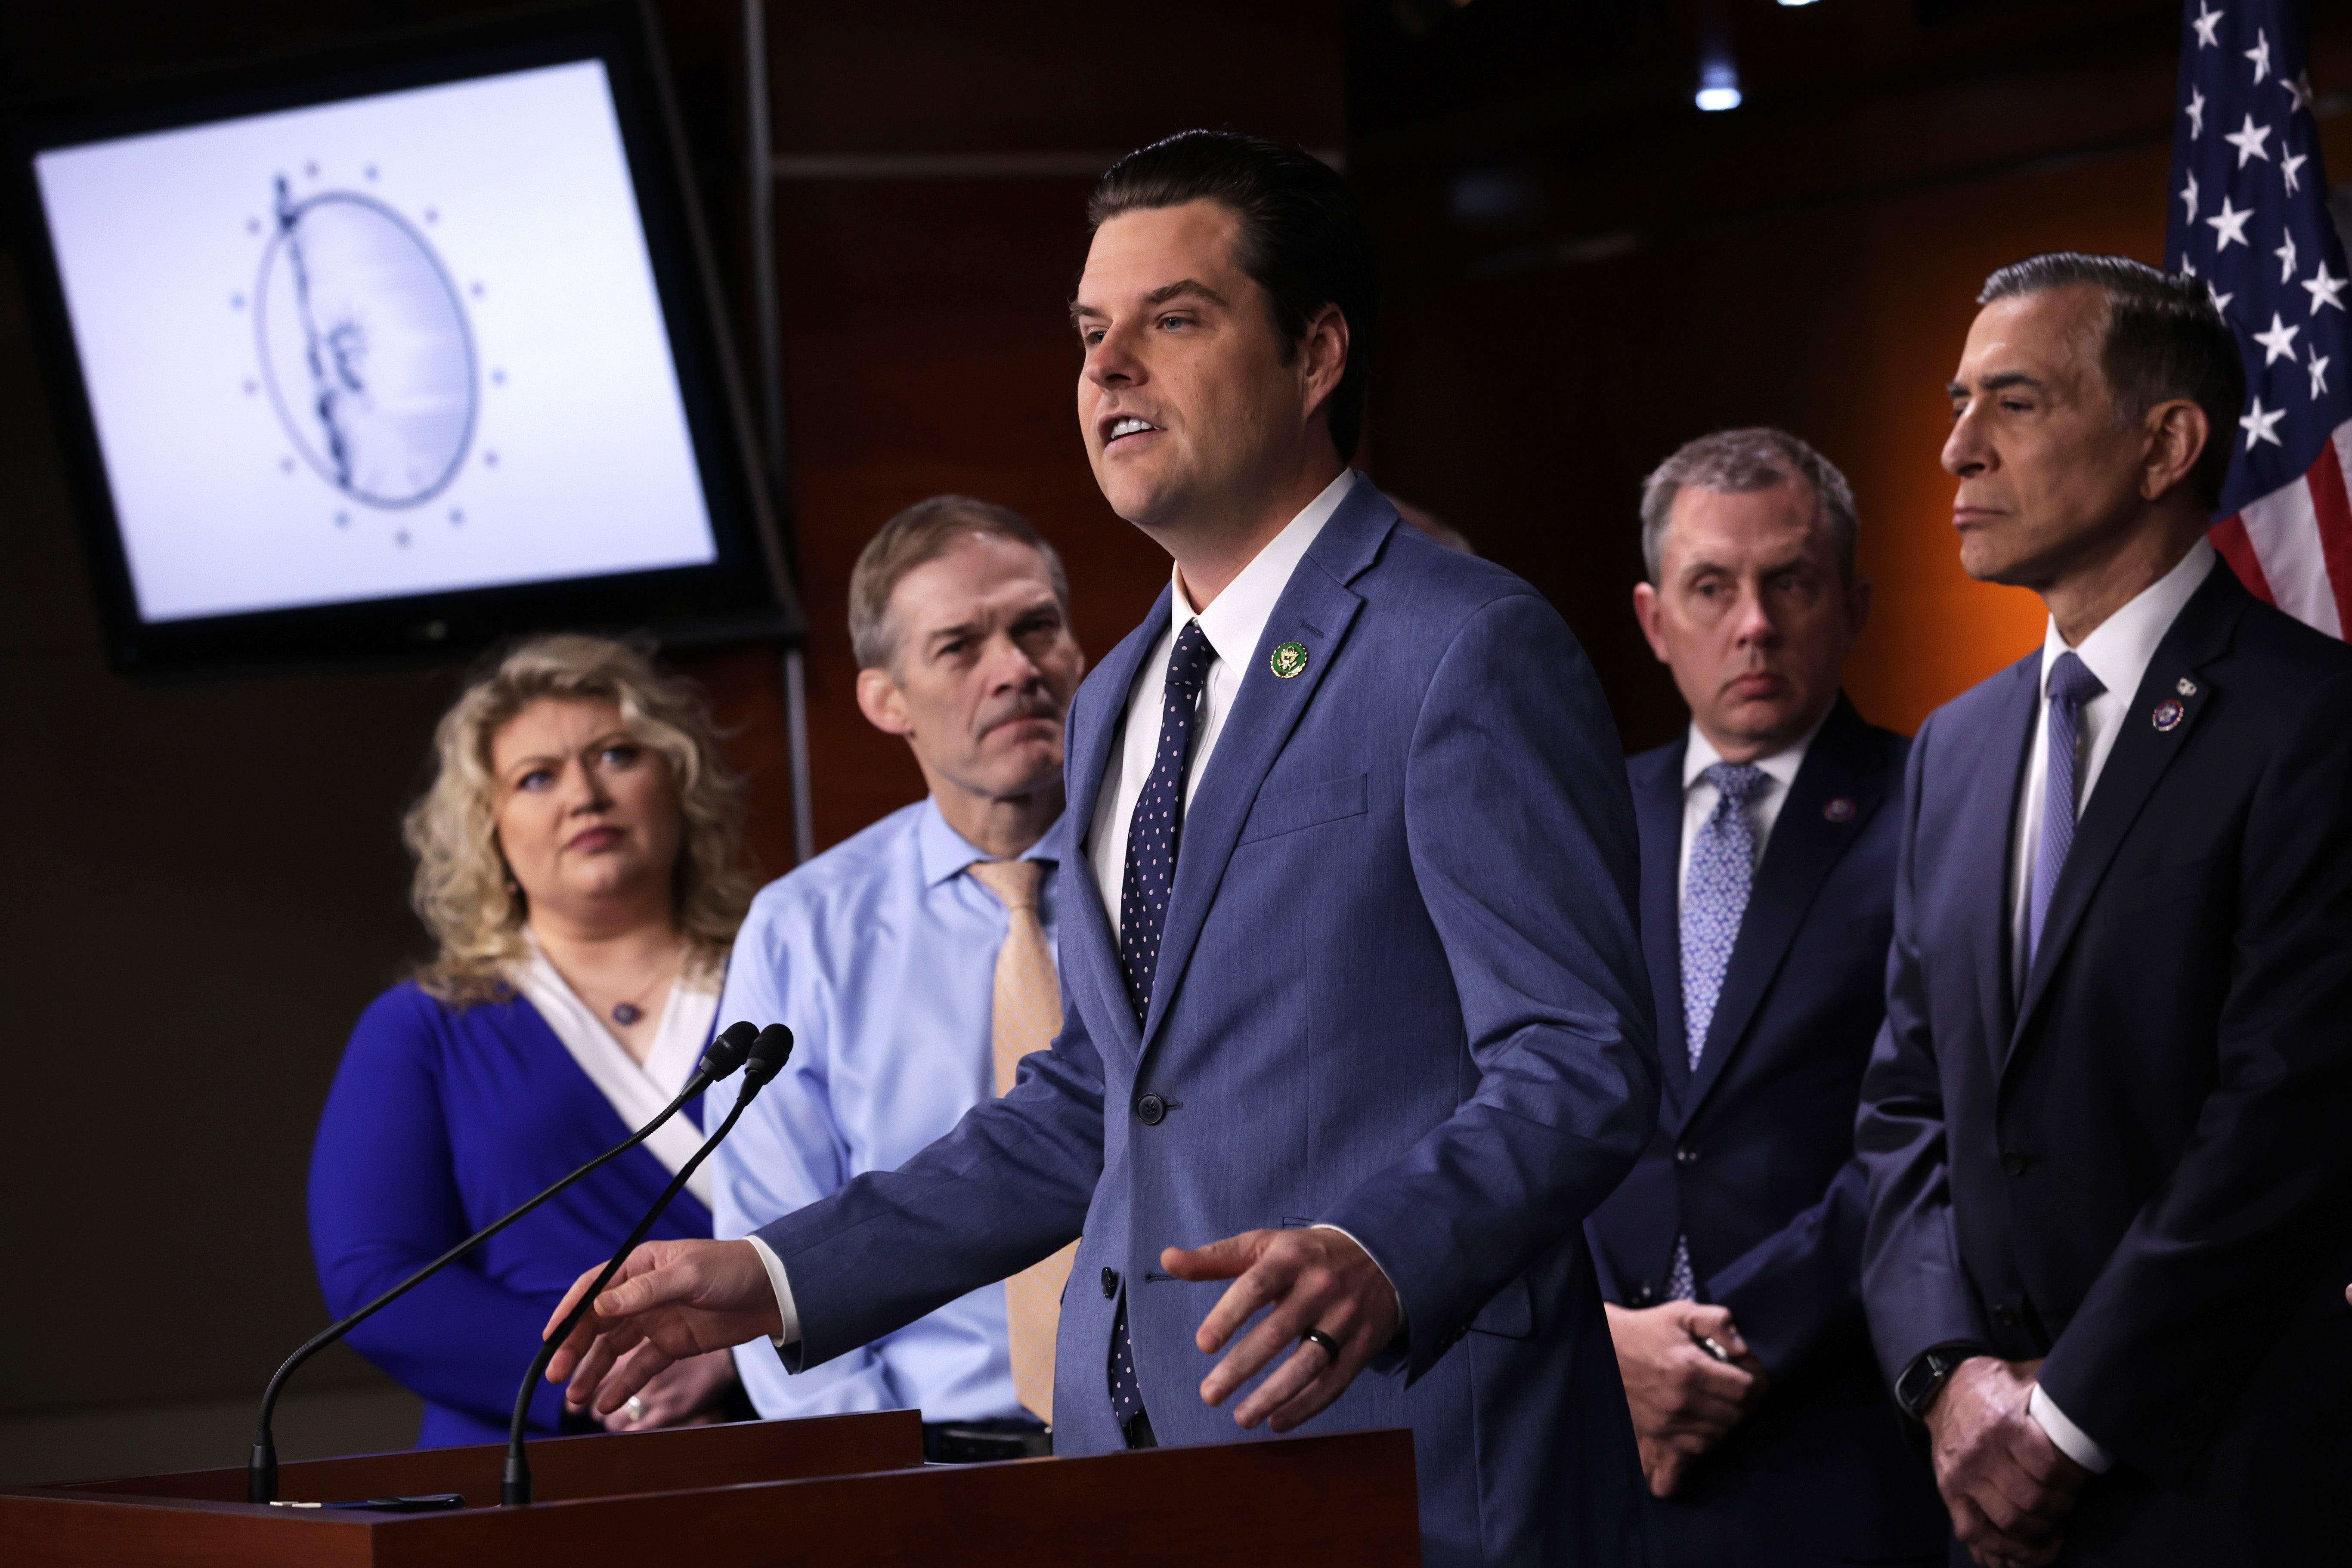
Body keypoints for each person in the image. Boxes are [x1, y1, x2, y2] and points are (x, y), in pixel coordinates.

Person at [543, 130, 1658, 1567]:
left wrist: (1387, 1249)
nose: (1109, 368)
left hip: (1415, 1456)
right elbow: (1096, 1099)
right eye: (1089, 333)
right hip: (1144, 1471)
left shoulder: (1462, 647)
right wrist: (774, 1275)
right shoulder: (1127, 682)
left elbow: (1580, 1059)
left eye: (1171, 320)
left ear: (1316, 353)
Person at [1858, 254, 2352, 1565]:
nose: (1956, 447)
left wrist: (2060, 1422)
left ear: (2165, 444)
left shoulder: (2317, 721)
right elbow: (1905, 1111)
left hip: (2225, 1481)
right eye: (1958, 402)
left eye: (2011, 404)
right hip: (1981, 1488)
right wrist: (1949, 1378)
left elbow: (2283, 1121)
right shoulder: (1953, 750)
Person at [1588, 428, 1946, 1565]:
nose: (1754, 623)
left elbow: (1942, 1119)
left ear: (1854, 604)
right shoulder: (1576, 821)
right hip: (1601, 1449)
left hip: (1837, 1444)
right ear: (1654, 619)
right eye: (1712, 586)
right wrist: (1605, 1342)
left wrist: (1730, 1345)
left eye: (1789, 581)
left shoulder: (1940, 808)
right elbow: (1511, 1093)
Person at [308, 635, 757, 1447]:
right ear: (490, 830)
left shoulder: (792, 977)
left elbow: (889, 1205)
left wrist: (741, 1349)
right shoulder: (423, 1027)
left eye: (617, 755)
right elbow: (377, 1281)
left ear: (679, 785)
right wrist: (604, 1372)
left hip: (787, 1427)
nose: (583, 795)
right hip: (525, 1455)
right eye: (537, 777)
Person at [711, 495, 1086, 1463]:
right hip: (929, 1464)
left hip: (1197, 1434)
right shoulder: (803, 929)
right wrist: (885, 1483)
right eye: (960, 646)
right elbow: (774, 1237)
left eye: (1036, 628)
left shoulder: (1176, 870)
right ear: (886, 699)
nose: (1016, 669)